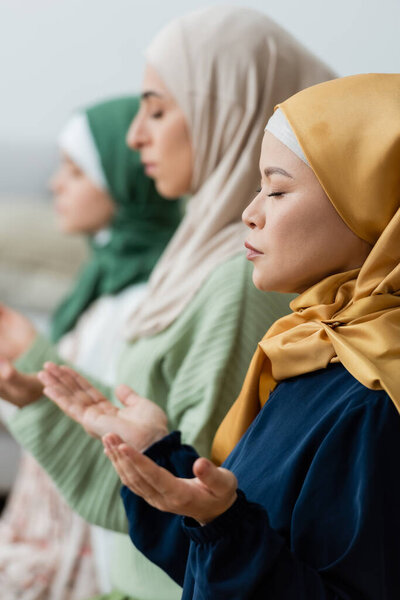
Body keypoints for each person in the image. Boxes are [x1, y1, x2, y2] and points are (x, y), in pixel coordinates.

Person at [0, 7, 334, 600]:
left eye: (156, 108)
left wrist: (45, 388)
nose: (136, 136)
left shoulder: (240, 278)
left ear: (225, 112)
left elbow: (190, 502)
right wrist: (40, 394)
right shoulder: (198, 259)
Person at [43, 73, 400, 599]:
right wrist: (160, 458)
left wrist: (224, 525)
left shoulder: (375, 395)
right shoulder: (313, 350)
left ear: (369, 203)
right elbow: (227, 556)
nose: (249, 213)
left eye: (276, 190)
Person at [0, 96, 181, 599]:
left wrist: (35, 369)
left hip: (94, 540)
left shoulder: (145, 302)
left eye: (75, 172)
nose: (54, 185)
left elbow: (109, 421)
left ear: (125, 182)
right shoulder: (100, 278)